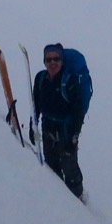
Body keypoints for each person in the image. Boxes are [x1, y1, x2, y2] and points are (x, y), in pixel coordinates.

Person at [32, 43, 87, 200]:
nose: (52, 63)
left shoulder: (70, 81)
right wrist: (32, 126)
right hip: (47, 130)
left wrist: (73, 137)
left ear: (62, 60)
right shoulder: (40, 79)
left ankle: (78, 201)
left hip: (66, 133)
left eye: (56, 59)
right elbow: (35, 105)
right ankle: (57, 201)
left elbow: (78, 113)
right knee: (51, 169)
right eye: (48, 60)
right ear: (44, 62)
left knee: (70, 170)